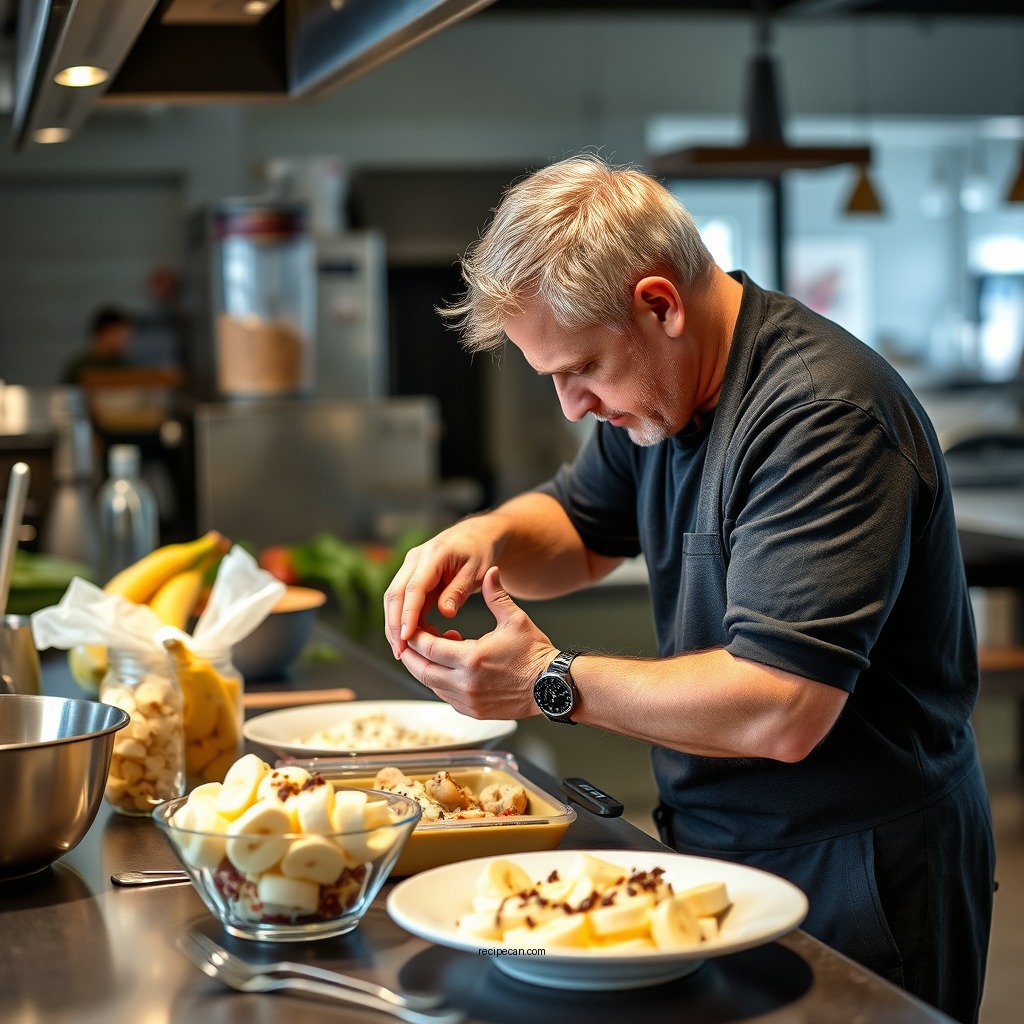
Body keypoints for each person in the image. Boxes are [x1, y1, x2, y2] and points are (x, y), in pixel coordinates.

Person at [383, 154, 995, 1024]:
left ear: (659, 304)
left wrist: (549, 682)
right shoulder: (660, 396)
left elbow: (779, 707)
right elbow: (578, 529)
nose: (570, 405)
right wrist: (481, 538)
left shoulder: (821, 412)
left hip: (857, 866)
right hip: (721, 845)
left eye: (580, 368)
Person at [60, 305, 134, 385]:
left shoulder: (124, 366)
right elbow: (64, 394)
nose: (126, 341)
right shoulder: (80, 365)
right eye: (121, 335)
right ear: (104, 332)